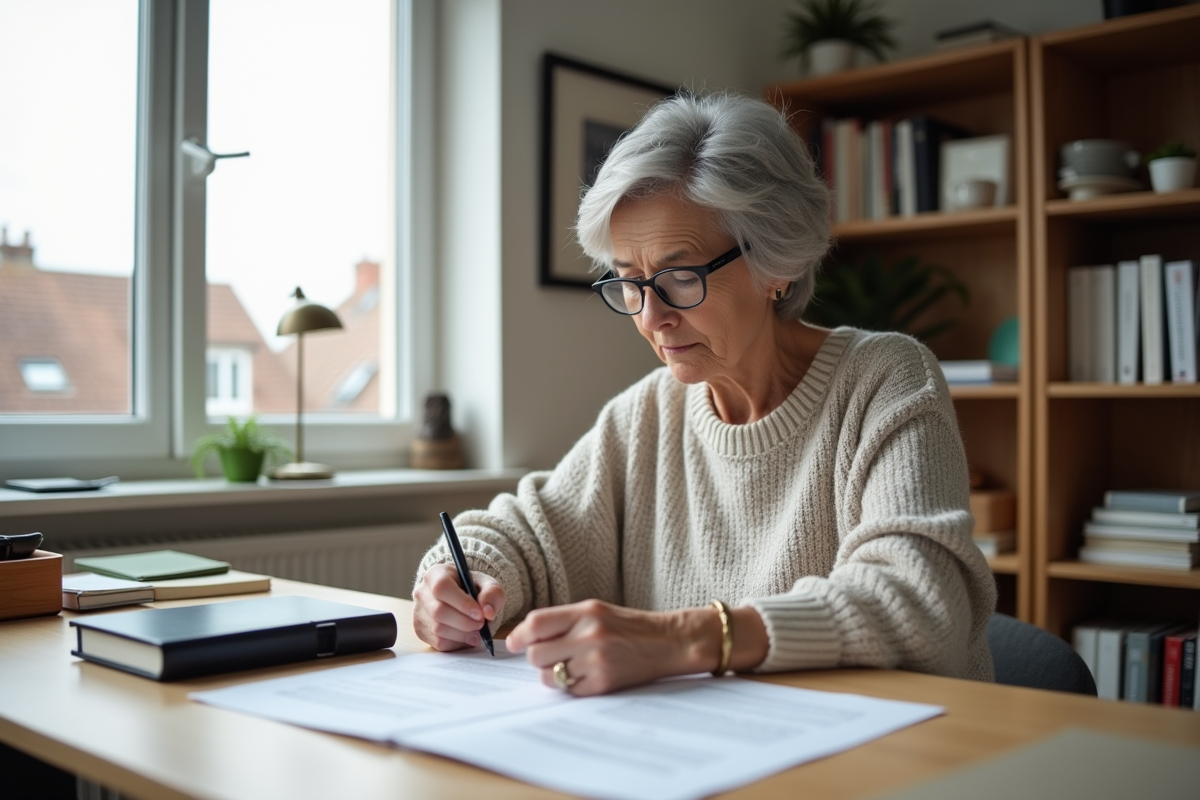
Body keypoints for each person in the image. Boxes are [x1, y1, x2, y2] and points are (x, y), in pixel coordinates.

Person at [412, 91, 996, 696]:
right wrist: (458, 577)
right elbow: (528, 532)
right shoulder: (646, 415)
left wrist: (682, 640)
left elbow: (920, 601)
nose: (651, 317)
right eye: (630, 283)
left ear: (776, 263)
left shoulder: (885, 380)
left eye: (680, 276)